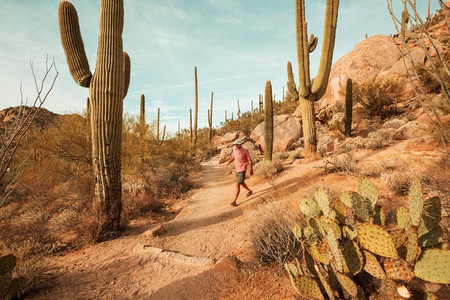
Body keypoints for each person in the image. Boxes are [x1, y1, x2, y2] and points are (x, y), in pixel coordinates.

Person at [226, 138, 254, 206]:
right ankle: (249, 191)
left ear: (240, 144)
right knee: (241, 182)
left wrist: (251, 169)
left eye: (236, 144)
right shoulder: (234, 150)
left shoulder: (245, 151)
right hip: (237, 169)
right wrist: (229, 162)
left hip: (242, 169)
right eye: (234, 144)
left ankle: (234, 201)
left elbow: (249, 160)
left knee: (237, 184)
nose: (235, 145)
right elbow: (234, 157)